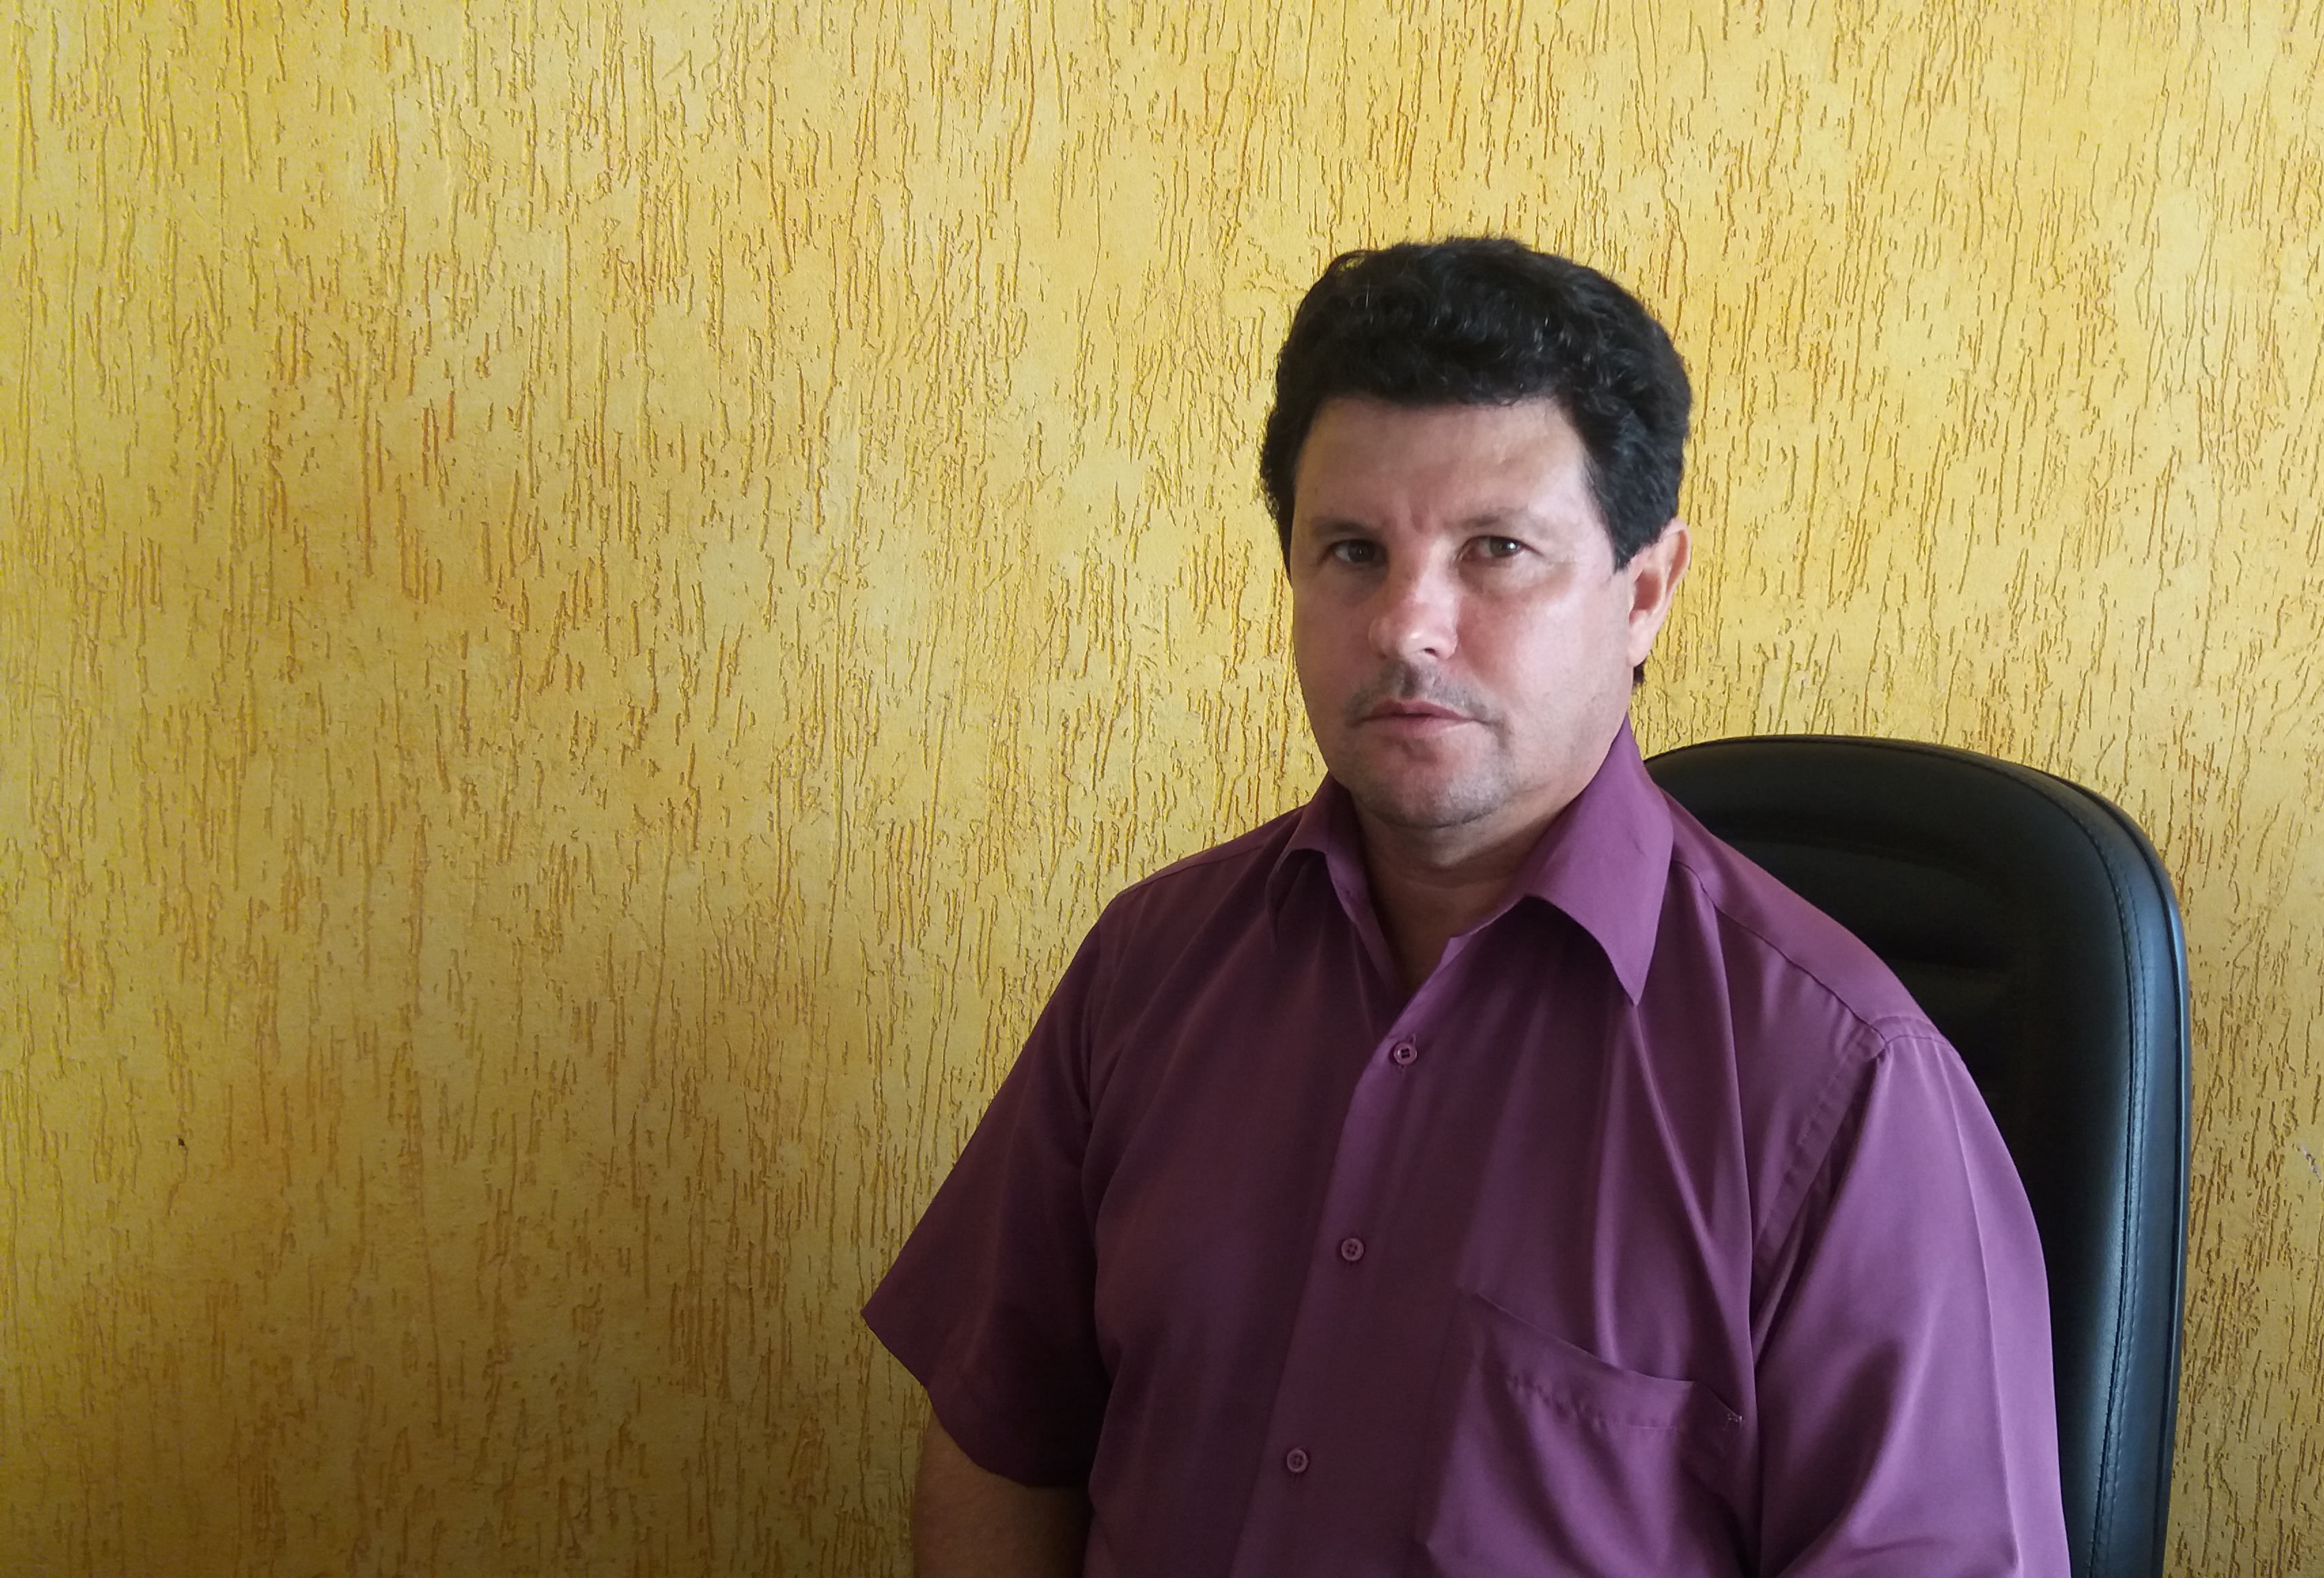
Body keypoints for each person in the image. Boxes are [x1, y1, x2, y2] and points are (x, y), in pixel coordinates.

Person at [866, 237, 2069, 1577]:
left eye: (1497, 550)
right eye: (1352, 551)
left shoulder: (1844, 1088)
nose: (1408, 627)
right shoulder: (1148, 970)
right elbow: (1002, 1440)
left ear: (1645, 593)